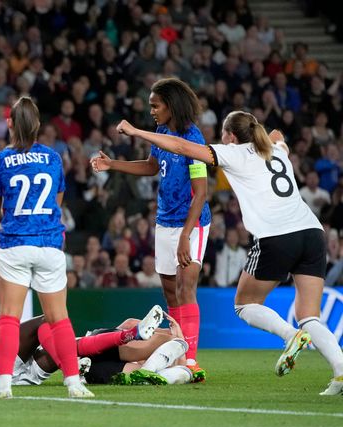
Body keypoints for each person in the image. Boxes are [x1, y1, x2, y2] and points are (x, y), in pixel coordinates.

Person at [114, 111, 343, 396]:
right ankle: (340, 373)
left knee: (245, 303)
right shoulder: (275, 150)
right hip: (312, 232)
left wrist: (138, 132)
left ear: (231, 137)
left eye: (223, 134)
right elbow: (279, 136)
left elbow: (183, 147)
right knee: (310, 315)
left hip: (276, 236)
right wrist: (267, 135)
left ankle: (291, 335)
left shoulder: (233, 153)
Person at [91, 78, 211, 381]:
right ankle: (176, 352)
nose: (152, 111)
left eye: (155, 105)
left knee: (187, 287)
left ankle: (191, 359)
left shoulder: (192, 138)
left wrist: (186, 235)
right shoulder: (162, 132)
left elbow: (201, 193)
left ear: (171, 105)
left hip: (192, 223)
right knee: (171, 291)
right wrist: (113, 165)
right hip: (165, 220)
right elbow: (150, 166)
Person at [0, 96, 90, 399]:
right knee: (59, 318)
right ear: (39, 125)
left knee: (8, 317)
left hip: (15, 244)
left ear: (9, 124)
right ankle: (73, 383)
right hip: (50, 245)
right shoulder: (54, 158)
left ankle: (3, 384)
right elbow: (56, 205)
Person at [0, 290, 185, 386]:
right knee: (47, 320)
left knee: (61, 347)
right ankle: (77, 365)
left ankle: (127, 336)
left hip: (11, 373)